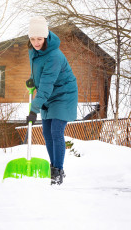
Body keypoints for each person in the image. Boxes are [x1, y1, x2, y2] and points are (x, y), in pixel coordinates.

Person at [26, 16, 78, 185]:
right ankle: (53, 167)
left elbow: (48, 84)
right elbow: (39, 74)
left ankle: (58, 171)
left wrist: (33, 110)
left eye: (39, 39)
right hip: (48, 94)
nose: (36, 42)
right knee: (46, 132)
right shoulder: (33, 52)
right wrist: (32, 80)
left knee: (56, 131)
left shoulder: (54, 55)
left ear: (46, 37)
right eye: (32, 39)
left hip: (63, 94)